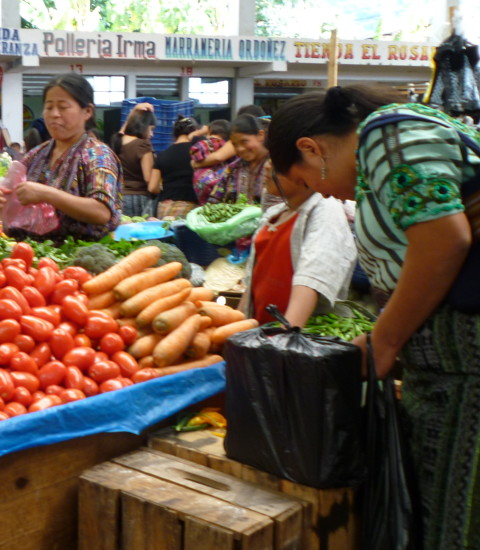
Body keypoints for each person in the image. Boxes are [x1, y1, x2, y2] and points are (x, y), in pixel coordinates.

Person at [267, 84, 478, 549]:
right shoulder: (380, 156)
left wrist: (384, 340)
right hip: (446, 373)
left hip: (468, 377)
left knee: (452, 525)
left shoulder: (385, 133)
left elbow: (445, 239)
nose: (319, 192)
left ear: (311, 149)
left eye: (305, 181)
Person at [0, 73, 122, 241]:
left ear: (87, 112)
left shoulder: (98, 155)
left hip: (80, 258)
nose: (54, 114)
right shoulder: (36, 154)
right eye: (49, 107)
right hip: (33, 256)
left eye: (63, 107)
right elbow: (10, 191)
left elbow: (101, 212)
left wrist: (47, 194)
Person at [239, 162, 356, 325]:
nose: (266, 166)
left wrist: (285, 336)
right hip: (260, 335)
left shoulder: (326, 212)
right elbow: (254, 281)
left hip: (292, 339)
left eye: (276, 161)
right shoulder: (275, 214)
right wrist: (237, 325)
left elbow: (313, 279)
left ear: (306, 169)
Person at [202, 115, 276, 206]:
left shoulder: (277, 166)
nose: (240, 149)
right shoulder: (233, 169)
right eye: (235, 144)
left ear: (260, 135)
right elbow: (214, 201)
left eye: (244, 141)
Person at [152, 115, 203, 219]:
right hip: (190, 208)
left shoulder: (162, 155)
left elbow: (152, 187)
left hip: (164, 209)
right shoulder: (197, 154)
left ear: (175, 134)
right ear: (195, 132)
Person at [114, 108, 158, 217]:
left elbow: (122, 131)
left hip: (120, 196)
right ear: (143, 126)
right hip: (138, 197)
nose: (152, 134)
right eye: (151, 129)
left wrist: (134, 111)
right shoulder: (142, 145)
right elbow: (148, 178)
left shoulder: (118, 141)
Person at [190, 119, 232, 204]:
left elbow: (190, 137)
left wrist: (195, 163)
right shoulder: (226, 145)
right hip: (220, 187)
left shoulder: (201, 144)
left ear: (209, 133)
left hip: (201, 185)